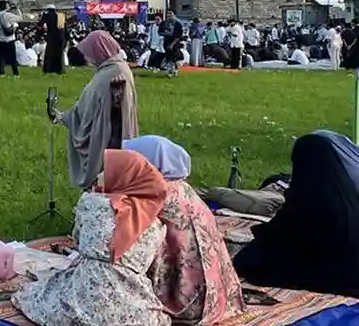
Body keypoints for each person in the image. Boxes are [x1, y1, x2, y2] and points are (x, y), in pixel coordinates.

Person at [13, 150, 170, 326]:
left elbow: (78, 241)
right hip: (133, 303)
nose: (100, 175)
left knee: (37, 296)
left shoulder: (92, 202)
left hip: (85, 295)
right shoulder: (155, 225)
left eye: (107, 170)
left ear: (122, 176)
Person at [124, 136, 244, 325]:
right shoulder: (181, 188)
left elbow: (126, 241)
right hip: (215, 291)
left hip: (182, 297)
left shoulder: (153, 193)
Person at [232, 130, 359, 297]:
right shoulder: (347, 197)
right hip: (350, 269)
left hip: (326, 271)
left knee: (249, 260)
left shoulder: (309, 200)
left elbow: (285, 232)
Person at [52, 30, 140, 191]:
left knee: (105, 181)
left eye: (90, 53)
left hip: (109, 139)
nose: (88, 58)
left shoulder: (115, 73)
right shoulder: (108, 70)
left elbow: (116, 114)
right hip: (107, 133)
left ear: (100, 50)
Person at [0, 0, 20, 77]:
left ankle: (1, 73)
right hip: (9, 39)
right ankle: (15, 73)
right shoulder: (8, 15)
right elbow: (20, 18)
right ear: (6, 7)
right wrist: (16, 9)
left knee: (0, 56)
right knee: (12, 57)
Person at [41, 4, 66, 74]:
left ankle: (48, 69)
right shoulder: (60, 16)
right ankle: (59, 70)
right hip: (59, 38)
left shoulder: (47, 16)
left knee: (49, 55)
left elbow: (41, 24)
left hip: (51, 38)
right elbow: (62, 29)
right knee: (59, 55)